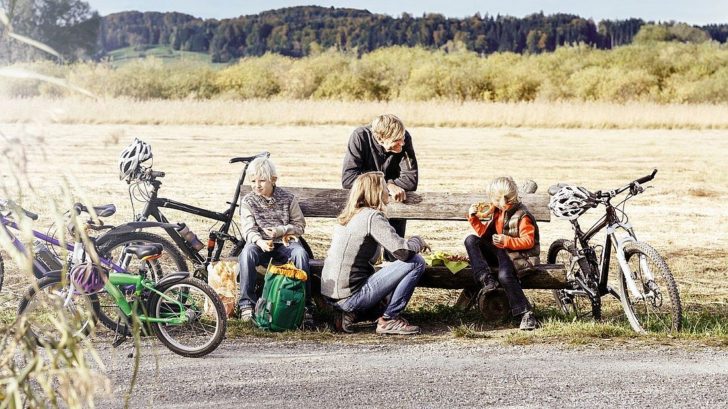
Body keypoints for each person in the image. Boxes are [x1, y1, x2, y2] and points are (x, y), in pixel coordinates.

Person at [321, 172, 428, 335]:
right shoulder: (372, 216)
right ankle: (389, 319)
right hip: (351, 297)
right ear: (376, 191)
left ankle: (348, 316)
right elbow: (402, 252)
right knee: (416, 262)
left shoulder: (351, 215)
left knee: (393, 272)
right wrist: (418, 240)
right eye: (385, 188)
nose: (388, 192)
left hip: (333, 296)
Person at [237, 157, 311, 322]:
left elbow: (299, 225)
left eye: (262, 180)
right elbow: (248, 229)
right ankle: (246, 304)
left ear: (273, 180)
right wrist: (260, 241)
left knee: (300, 254)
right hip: (259, 244)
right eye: (253, 181)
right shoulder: (248, 201)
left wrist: (280, 230)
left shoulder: (288, 198)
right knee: (247, 254)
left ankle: (305, 305)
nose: (257, 185)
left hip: (285, 243)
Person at [464, 176, 540, 331]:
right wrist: (473, 218)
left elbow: (529, 241)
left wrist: (507, 241)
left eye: (493, 199)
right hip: (498, 251)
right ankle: (486, 280)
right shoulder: (499, 211)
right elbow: (485, 235)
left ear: (503, 199)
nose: (492, 202)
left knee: (505, 276)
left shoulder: (522, 216)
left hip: (515, 255)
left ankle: (526, 313)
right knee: (471, 240)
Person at [341, 114, 418, 242]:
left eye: (403, 138)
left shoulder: (405, 137)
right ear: (380, 139)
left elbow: (410, 180)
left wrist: (388, 185)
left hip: (394, 204)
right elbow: (348, 179)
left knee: (396, 249)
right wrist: (387, 186)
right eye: (396, 140)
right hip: (364, 207)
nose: (403, 143)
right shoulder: (360, 137)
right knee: (366, 250)